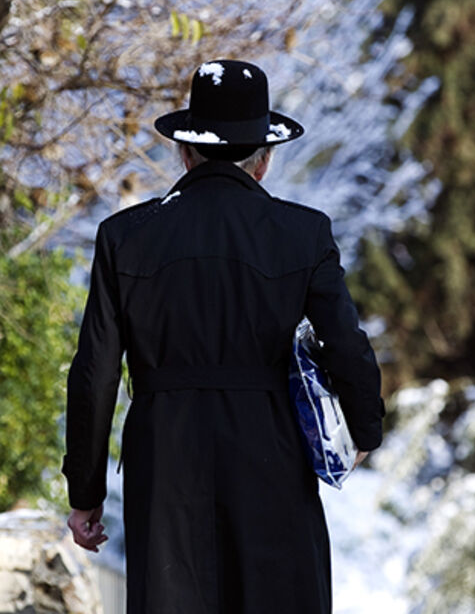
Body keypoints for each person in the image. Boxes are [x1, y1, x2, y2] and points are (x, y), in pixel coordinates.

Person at [61, 59, 385, 614]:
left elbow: (94, 372)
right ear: (263, 161)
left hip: (165, 457)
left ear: (185, 152)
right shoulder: (303, 234)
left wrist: (85, 494)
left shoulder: (124, 237)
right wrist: (364, 430)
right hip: (271, 450)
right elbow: (346, 345)